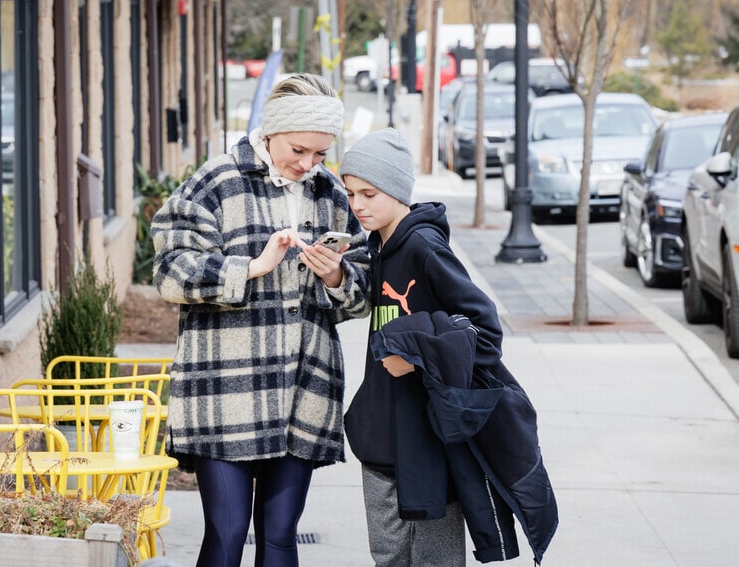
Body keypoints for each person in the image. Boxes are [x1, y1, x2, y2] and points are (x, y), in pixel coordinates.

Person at [151, 73, 371, 567]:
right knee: (226, 535)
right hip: (224, 389)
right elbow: (169, 272)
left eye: (320, 153)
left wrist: (337, 276)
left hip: (303, 389)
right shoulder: (216, 181)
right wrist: (252, 267)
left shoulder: (331, 195)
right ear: (272, 131)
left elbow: (363, 290)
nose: (308, 163)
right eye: (299, 149)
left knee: (279, 538)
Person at [340, 128, 557, 566]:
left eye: (368, 193)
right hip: (381, 431)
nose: (357, 205)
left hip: (426, 440)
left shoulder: (423, 246)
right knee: (388, 555)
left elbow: (484, 329)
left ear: (397, 190)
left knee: (435, 559)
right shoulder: (379, 244)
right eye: (350, 193)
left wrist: (419, 360)